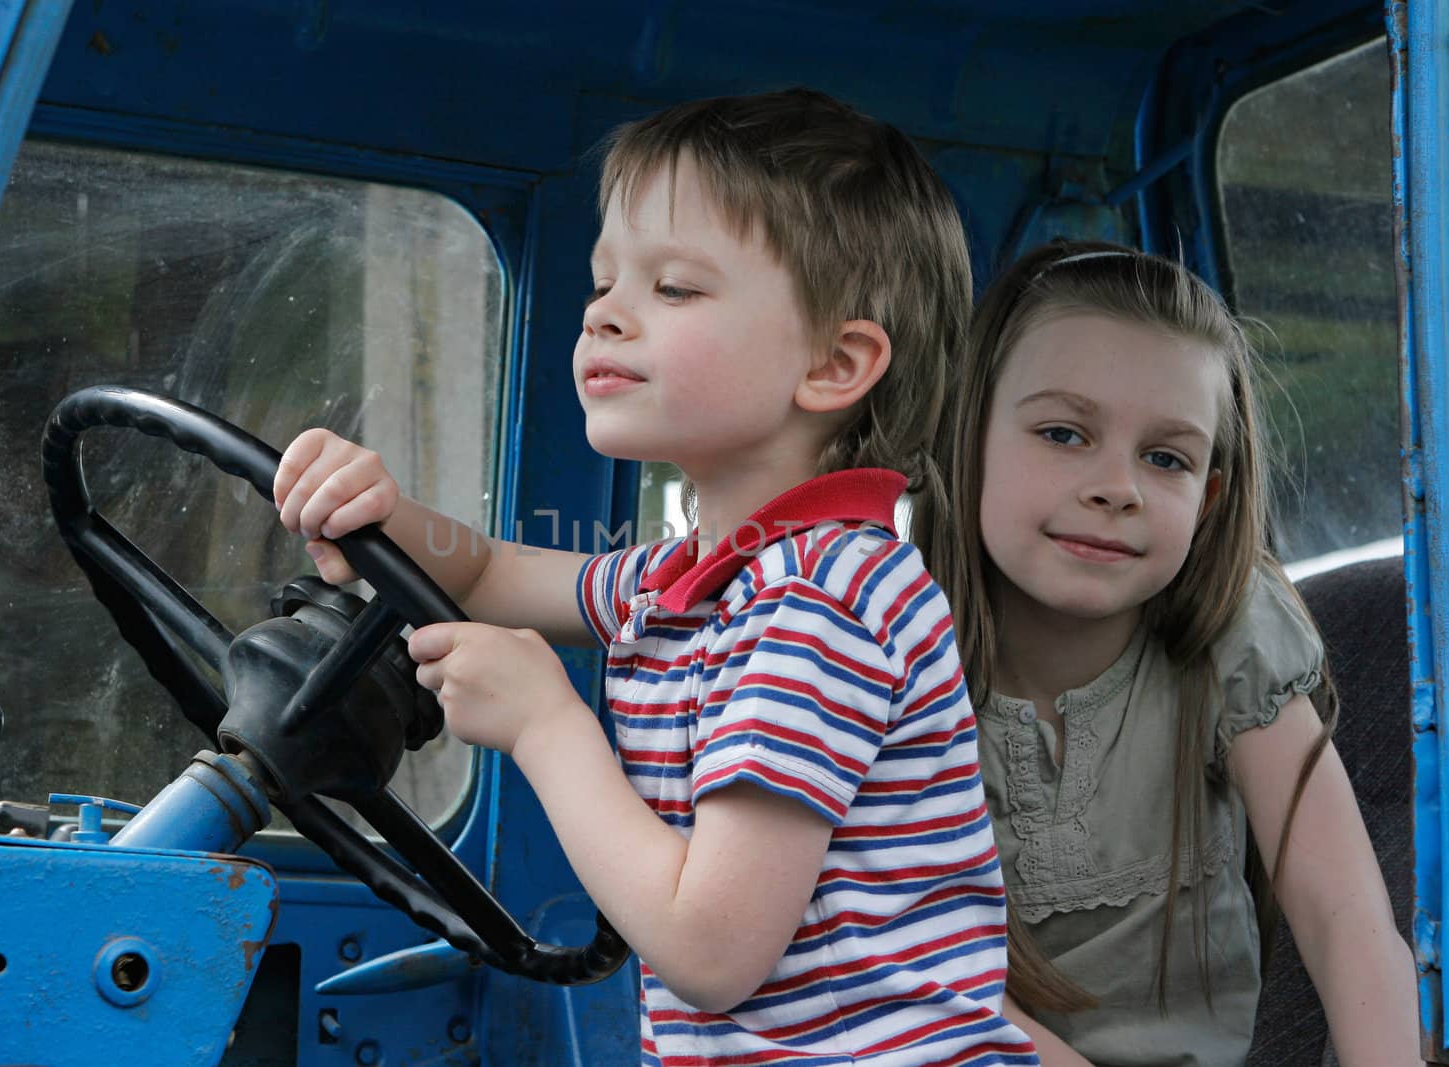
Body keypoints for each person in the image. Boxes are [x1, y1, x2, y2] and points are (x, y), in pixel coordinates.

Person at [273, 89, 1038, 1064]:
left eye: (671, 288)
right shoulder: (699, 578)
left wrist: (546, 726)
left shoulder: (819, 603)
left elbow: (712, 952)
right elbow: (496, 572)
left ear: (833, 362)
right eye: (603, 284)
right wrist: (377, 516)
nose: (605, 317)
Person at [914, 239, 1419, 1064]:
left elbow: (1345, 918)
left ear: (1208, 495)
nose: (1118, 486)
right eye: (1063, 433)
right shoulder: (888, 653)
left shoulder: (1230, 632)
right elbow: (932, 991)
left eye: (1165, 458)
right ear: (967, 438)